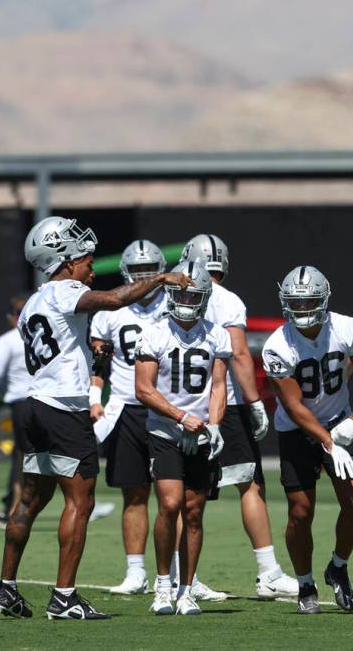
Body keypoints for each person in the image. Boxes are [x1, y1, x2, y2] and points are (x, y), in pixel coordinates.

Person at [0, 216, 190, 621]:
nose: (91, 267)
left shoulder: (33, 301)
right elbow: (115, 300)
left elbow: (61, 344)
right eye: (84, 259)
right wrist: (161, 279)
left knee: (30, 500)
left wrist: (89, 355)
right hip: (64, 409)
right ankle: (64, 597)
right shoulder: (66, 291)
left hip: (34, 405)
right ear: (63, 262)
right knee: (80, 503)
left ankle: (5, 589)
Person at [180, 234, 298, 600]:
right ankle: (267, 572)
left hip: (181, 406)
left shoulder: (168, 295)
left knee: (185, 496)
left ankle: (178, 575)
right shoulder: (228, 300)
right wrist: (255, 402)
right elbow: (240, 355)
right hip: (225, 404)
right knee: (250, 486)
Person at [261, 265, 353, 614]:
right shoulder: (277, 345)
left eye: (309, 302)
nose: (302, 310)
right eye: (296, 304)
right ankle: (304, 583)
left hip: (338, 421)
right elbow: (294, 406)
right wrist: (328, 442)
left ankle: (338, 567)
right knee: (301, 511)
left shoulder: (346, 327)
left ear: (324, 299)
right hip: (298, 431)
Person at [134, 260, 231, 616]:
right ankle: (163, 585)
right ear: (170, 293)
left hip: (201, 431)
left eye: (194, 294)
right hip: (165, 429)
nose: (187, 300)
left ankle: (187, 590)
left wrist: (214, 425)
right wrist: (180, 417)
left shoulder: (216, 334)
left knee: (194, 511)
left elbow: (218, 385)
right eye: (181, 292)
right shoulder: (154, 332)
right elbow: (143, 389)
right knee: (170, 504)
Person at [89, 240, 168, 595]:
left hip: (168, 408)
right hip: (124, 406)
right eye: (138, 271)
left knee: (174, 497)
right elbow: (99, 361)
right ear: (126, 273)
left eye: (151, 269)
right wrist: (94, 398)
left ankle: (185, 574)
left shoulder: (175, 303)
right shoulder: (110, 311)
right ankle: (136, 571)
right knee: (134, 494)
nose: (145, 277)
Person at [0, 293, 33, 529]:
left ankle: (14, 510)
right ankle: (80, 504)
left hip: (21, 404)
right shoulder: (52, 334)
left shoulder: (8, 340)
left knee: (22, 459)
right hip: (51, 401)